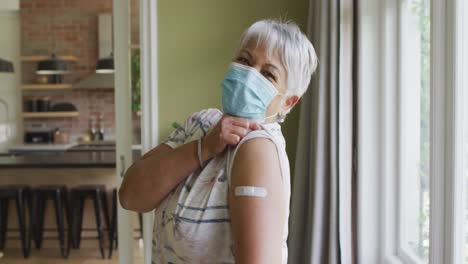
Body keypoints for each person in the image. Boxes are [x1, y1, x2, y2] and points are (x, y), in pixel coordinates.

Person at [119, 19, 318, 263]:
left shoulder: (258, 147)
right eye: (244, 61)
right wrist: (203, 148)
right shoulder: (201, 122)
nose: (249, 75)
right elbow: (130, 195)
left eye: (268, 74)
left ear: (289, 101)